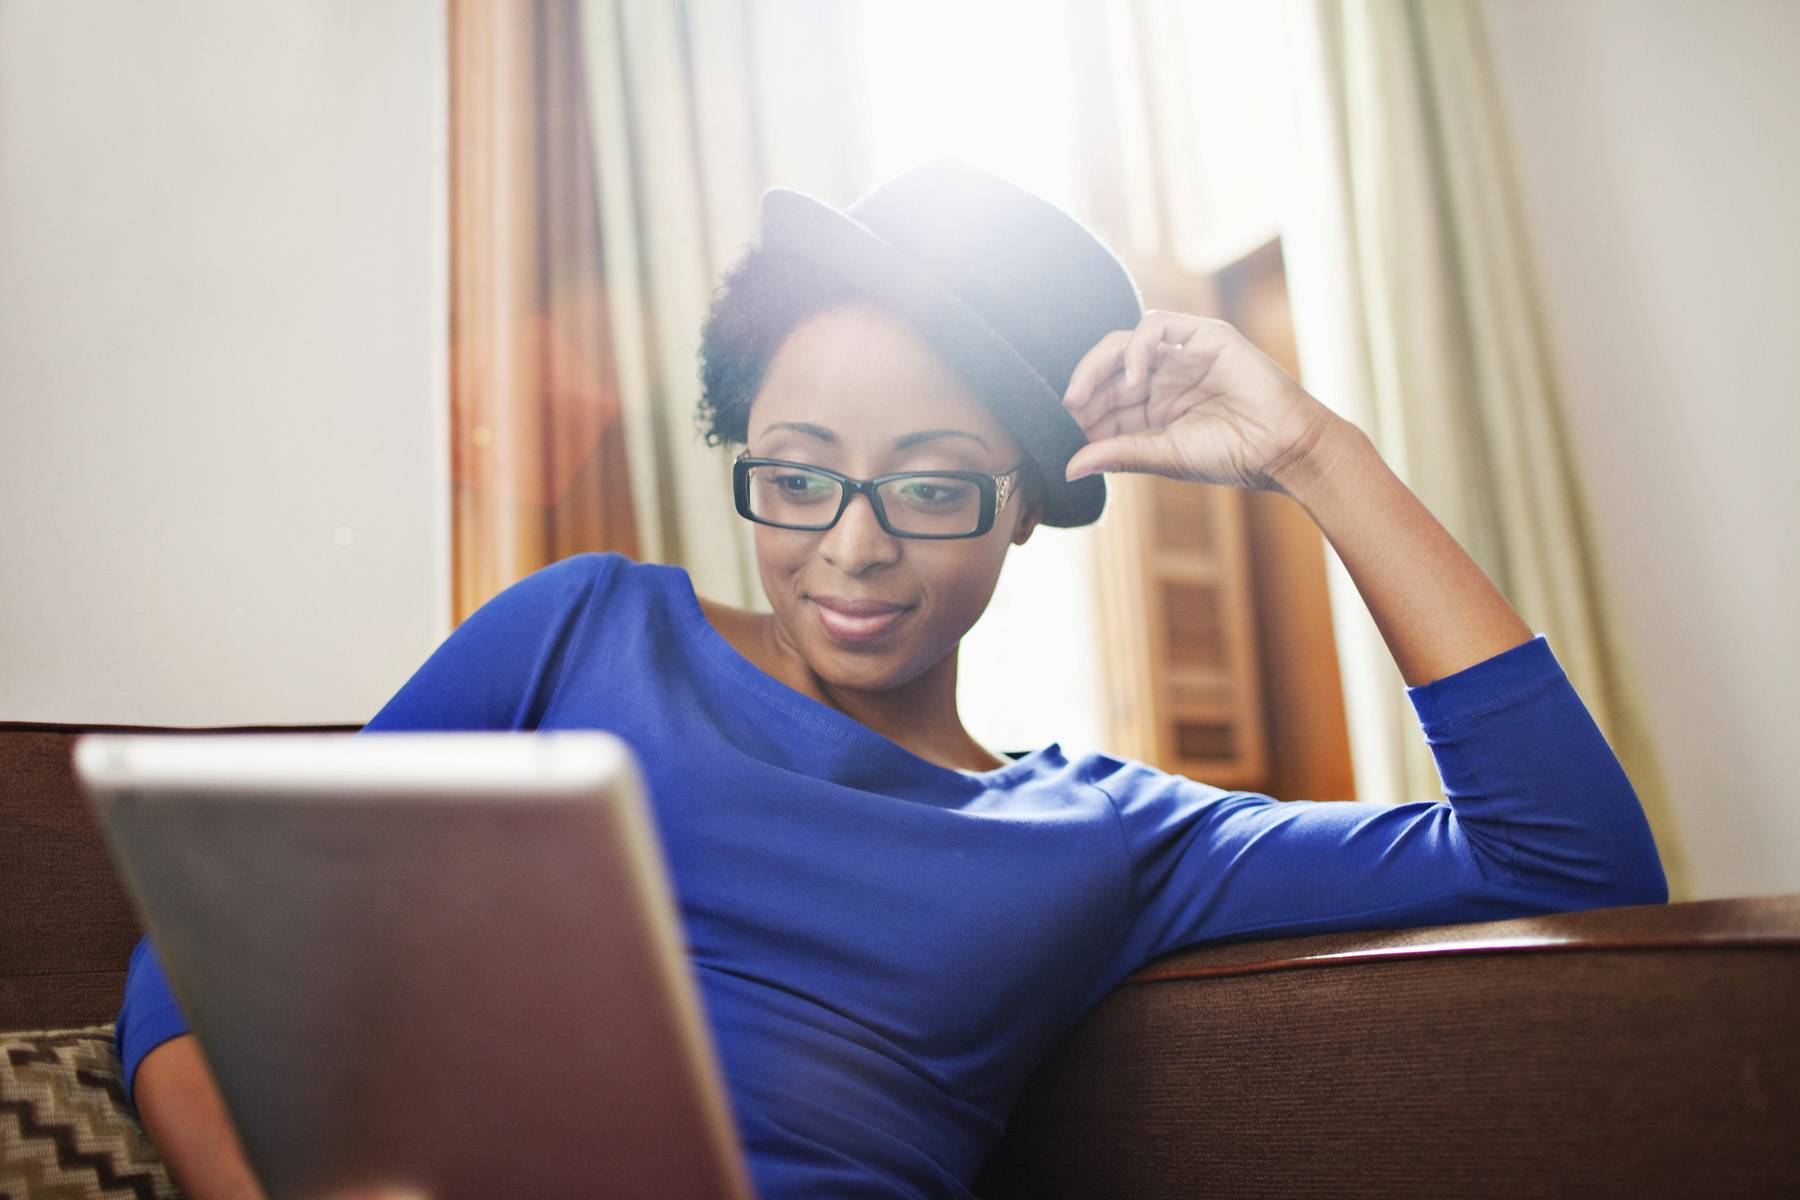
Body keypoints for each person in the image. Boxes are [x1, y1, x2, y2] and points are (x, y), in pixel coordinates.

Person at [117, 157, 1668, 1200]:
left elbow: (1572, 861)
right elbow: (209, 944)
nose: (850, 551)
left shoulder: (1105, 838)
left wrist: (1314, 454)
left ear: (1022, 504)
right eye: (798, 477)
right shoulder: (584, 634)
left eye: (929, 488)